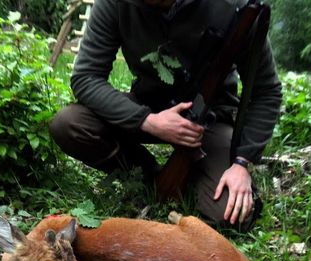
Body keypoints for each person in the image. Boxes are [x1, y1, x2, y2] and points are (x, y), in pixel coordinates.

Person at [49, 0, 282, 231]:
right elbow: (86, 77)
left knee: (229, 216)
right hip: (148, 107)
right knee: (69, 124)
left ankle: (193, 177)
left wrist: (242, 162)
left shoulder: (236, 7)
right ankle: (147, 178)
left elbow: (267, 91)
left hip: (210, 121)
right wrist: (147, 121)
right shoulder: (115, 4)